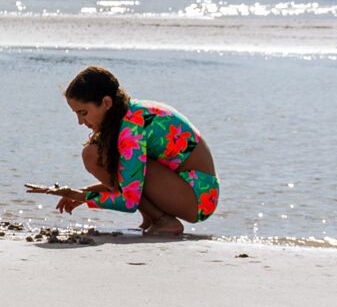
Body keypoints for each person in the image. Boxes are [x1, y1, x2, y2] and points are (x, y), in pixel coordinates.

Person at [33, 65, 220, 237]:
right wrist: (81, 193)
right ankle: (153, 218)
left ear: (106, 102)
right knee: (96, 153)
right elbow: (128, 179)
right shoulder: (127, 115)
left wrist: (80, 196)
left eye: (83, 113)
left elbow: (129, 199)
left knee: (94, 155)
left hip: (198, 197)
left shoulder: (131, 128)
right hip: (185, 189)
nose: (80, 122)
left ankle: (164, 221)